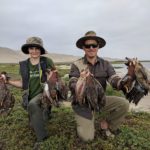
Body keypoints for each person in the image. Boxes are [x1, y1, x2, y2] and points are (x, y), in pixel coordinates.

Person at [69, 31, 130, 141]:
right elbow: (72, 82)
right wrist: (81, 80)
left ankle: (107, 124)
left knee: (124, 103)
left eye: (94, 45)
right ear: (83, 48)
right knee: (87, 138)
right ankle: (86, 119)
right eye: (88, 45)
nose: (91, 48)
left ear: (98, 47)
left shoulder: (106, 64)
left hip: (99, 101)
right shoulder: (76, 64)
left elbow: (113, 79)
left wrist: (123, 82)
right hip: (82, 104)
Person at [1, 37, 55, 142]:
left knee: (33, 105)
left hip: (44, 94)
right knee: (33, 123)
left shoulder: (47, 61)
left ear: (41, 50)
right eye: (31, 48)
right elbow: (23, 84)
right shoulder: (24, 65)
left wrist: (51, 78)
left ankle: (42, 139)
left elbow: (55, 78)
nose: (34, 51)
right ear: (28, 50)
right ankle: (45, 113)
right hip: (29, 97)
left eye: (37, 48)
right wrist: (7, 81)